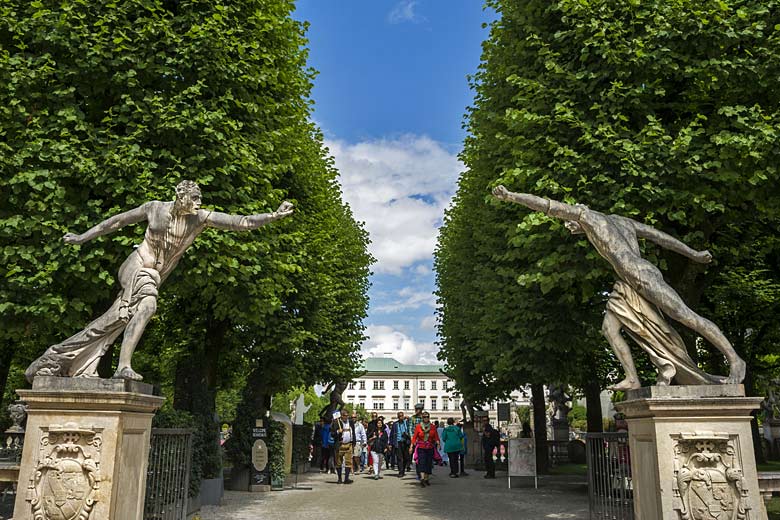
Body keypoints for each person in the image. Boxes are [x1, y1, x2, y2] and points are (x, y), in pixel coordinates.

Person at [26, 180, 294, 382]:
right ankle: (123, 366)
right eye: (195, 198)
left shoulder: (200, 219)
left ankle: (58, 357)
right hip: (136, 266)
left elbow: (241, 222)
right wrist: (82, 237)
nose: (199, 203)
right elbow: (116, 222)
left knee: (114, 320)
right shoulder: (154, 209)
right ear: (181, 197)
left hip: (156, 274)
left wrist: (273, 215)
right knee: (148, 306)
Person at [492, 185, 746, 389]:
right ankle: (633, 377)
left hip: (639, 275)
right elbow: (660, 237)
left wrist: (511, 196)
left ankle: (735, 359)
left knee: (685, 315)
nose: (570, 228)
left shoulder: (585, 215)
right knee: (609, 328)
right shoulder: (621, 221)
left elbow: (546, 205)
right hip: (628, 281)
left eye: (570, 224)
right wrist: (693, 253)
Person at [410, 412, 440, 487]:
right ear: (422, 418)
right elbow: (414, 437)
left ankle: (427, 479)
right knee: (421, 463)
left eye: (427, 417)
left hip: (430, 447)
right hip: (421, 447)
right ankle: (422, 479)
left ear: (429, 418)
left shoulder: (432, 427)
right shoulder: (418, 426)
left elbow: (436, 436)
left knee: (429, 463)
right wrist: (411, 446)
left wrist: (438, 443)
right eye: (424, 417)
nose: (426, 418)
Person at [334, 413, 355, 484]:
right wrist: (337, 431)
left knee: (348, 462)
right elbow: (331, 433)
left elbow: (353, 433)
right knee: (338, 462)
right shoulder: (337, 422)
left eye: (347, 416)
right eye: (345, 416)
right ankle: (339, 478)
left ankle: (346, 478)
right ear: (341, 416)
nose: (346, 417)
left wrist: (353, 443)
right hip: (340, 445)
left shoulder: (351, 422)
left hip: (349, 445)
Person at [390, 411, 411, 477]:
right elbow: (392, 434)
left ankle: (403, 469)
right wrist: (391, 443)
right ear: (398, 417)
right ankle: (400, 471)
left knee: (406, 457)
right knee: (399, 458)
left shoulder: (406, 423)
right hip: (398, 442)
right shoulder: (395, 424)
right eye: (399, 416)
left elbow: (412, 425)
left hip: (406, 442)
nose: (401, 417)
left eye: (402, 416)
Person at [409, 403, 425, 479]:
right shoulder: (412, 418)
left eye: (419, 409)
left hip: (425, 440)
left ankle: (425, 473)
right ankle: (419, 474)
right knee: (418, 458)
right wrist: (413, 439)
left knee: (424, 458)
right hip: (416, 441)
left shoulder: (425, 417)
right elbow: (410, 429)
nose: (417, 411)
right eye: (416, 409)